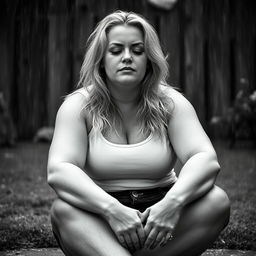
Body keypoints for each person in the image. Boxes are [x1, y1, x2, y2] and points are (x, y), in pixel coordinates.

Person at [47, 10, 230, 256]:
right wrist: (112, 210)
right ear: (101, 59)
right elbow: (60, 170)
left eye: (137, 50)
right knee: (63, 211)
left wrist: (171, 205)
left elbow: (205, 159)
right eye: (115, 50)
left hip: (161, 220)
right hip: (99, 216)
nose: (127, 57)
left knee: (217, 202)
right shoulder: (78, 105)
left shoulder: (171, 103)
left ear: (149, 59)